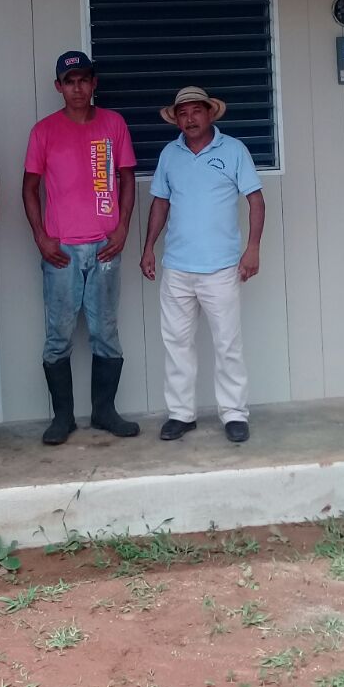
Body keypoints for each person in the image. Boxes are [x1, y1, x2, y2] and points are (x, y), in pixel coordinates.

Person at [23, 50, 139, 445]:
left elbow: (127, 178)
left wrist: (122, 229)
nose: (77, 88)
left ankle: (105, 412)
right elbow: (29, 188)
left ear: (94, 84)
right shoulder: (43, 131)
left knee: (105, 332)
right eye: (69, 82)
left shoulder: (113, 124)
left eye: (84, 80)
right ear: (59, 86)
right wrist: (41, 236)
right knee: (58, 335)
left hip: (105, 246)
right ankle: (63, 418)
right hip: (62, 252)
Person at [140, 86, 265, 444]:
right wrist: (148, 247)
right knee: (177, 344)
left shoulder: (234, 150)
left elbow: (256, 201)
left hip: (221, 269)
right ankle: (181, 414)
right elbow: (160, 203)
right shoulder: (170, 154)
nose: (190, 118)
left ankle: (234, 414)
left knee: (227, 344)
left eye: (196, 111)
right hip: (177, 268)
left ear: (210, 113)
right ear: (176, 119)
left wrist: (253, 248)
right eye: (183, 113)